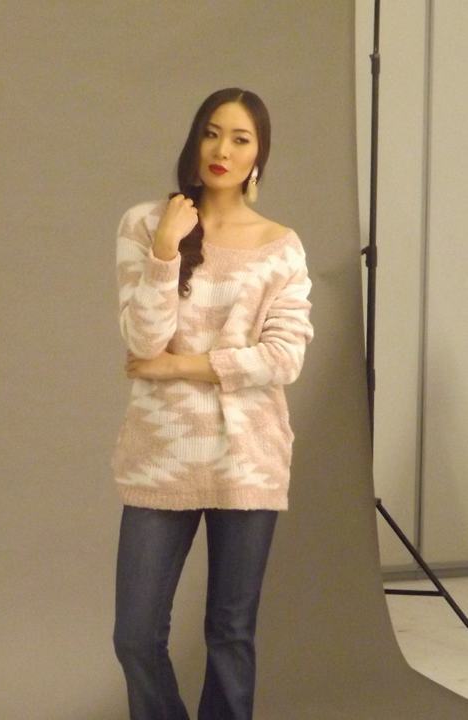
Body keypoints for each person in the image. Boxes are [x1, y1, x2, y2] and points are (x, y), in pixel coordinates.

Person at [111, 87, 314, 720]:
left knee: (230, 632)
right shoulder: (146, 223)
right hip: (161, 454)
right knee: (135, 634)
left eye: (240, 138)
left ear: (258, 156)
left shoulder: (281, 245)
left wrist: (181, 366)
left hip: (248, 456)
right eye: (211, 132)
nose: (221, 149)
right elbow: (142, 340)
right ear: (195, 139)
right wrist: (165, 250)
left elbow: (284, 357)